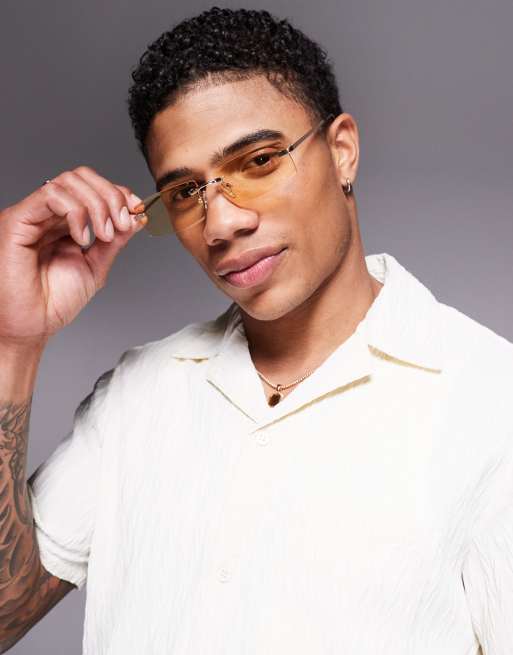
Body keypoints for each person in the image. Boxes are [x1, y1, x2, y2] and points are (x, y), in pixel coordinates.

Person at [0, 6, 511, 654]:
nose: (221, 223)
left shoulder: (489, 402)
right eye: (185, 192)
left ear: (342, 151)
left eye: (261, 160)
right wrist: (12, 341)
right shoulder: (139, 393)